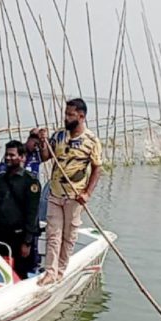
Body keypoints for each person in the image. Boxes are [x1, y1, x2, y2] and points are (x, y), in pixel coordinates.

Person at [36, 98, 103, 287]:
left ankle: (60, 270)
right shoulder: (59, 135)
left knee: (69, 235)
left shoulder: (91, 141)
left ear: (81, 117)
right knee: (53, 233)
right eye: (65, 114)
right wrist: (43, 141)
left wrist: (87, 193)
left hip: (75, 196)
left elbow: (97, 169)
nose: (66, 118)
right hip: (55, 193)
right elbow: (45, 156)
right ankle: (50, 272)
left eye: (70, 115)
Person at [0, 141, 42, 277]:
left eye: (12, 155)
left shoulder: (30, 182)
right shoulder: (0, 179)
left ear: (22, 157)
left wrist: (27, 241)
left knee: (18, 273)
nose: (8, 158)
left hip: (17, 236)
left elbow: (32, 213)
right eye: (7, 155)